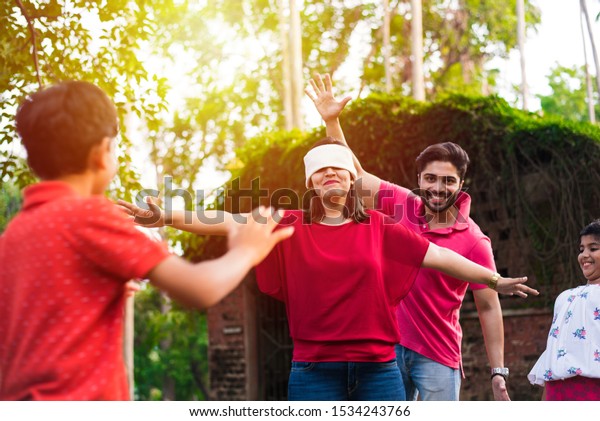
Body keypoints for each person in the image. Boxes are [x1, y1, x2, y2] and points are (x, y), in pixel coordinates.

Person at [123, 136, 538, 401]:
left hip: (379, 371)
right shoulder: (289, 225)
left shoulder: (380, 226)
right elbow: (225, 219)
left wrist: (493, 279)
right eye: (321, 170)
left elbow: (441, 257)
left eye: (338, 168)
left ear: (348, 178)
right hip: (313, 372)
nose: (331, 175)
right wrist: (165, 218)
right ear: (312, 183)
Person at [0, 80, 293, 401]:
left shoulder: (16, 232)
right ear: (102, 153)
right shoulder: (93, 216)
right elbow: (198, 288)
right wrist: (245, 252)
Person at [305, 73, 514, 401]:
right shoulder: (402, 204)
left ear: (461, 184)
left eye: (447, 180)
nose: (437, 187)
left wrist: (498, 371)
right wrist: (332, 122)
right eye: (430, 178)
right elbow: (356, 176)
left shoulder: (475, 241)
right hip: (386, 349)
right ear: (419, 178)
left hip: (437, 356)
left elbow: (488, 306)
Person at [527, 220, 600, 400]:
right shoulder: (564, 297)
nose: (584, 255)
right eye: (581, 249)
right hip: (557, 392)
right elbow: (552, 351)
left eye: (593, 248)